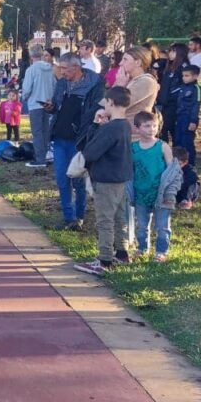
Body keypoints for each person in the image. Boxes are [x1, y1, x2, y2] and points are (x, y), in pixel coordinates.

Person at [75, 86, 133, 276]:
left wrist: (95, 125)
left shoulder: (110, 129)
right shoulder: (125, 125)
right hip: (121, 177)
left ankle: (104, 259)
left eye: (106, 102)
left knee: (105, 220)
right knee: (119, 217)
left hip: (106, 179)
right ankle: (122, 252)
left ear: (111, 102)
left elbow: (89, 151)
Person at [44, 53, 103, 230]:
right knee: (62, 178)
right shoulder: (62, 83)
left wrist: (88, 134)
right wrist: (51, 107)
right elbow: (56, 105)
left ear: (76, 67)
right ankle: (68, 217)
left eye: (64, 68)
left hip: (79, 139)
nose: (61, 72)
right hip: (60, 137)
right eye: (60, 68)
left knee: (78, 178)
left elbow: (96, 112)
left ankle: (79, 215)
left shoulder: (94, 84)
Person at [128, 112, 174, 260]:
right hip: (141, 193)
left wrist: (170, 192)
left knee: (162, 225)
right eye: (147, 126)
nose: (151, 129)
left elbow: (172, 170)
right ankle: (142, 248)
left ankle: (161, 252)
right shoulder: (133, 148)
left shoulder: (163, 146)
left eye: (154, 126)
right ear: (137, 128)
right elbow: (129, 170)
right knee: (142, 225)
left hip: (161, 194)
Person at [21, 44, 56, 168]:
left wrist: (24, 97)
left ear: (31, 55)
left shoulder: (31, 70)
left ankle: (40, 159)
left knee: (37, 132)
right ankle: (46, 155)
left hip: (35, 103)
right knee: (45, 131)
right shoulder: (50, 68)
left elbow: (27, 89)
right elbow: (54, 85)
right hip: (48, 103)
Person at [113, 46, 159, 119]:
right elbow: (106, 103)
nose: (120, 63)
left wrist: (119, 86)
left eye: (125, 59)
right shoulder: (128, 79)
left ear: (138, 62)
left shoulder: (146, 82)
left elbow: (118, 105)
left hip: (132, 125)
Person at [157, 43, 189, 143]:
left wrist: (173, 96)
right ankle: (165, 149)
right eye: (170, 51)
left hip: (173, 104)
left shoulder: (183, 67)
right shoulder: (169, 65)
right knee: (162, 128)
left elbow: (184, 86)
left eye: (173, 51)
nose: (170, 53)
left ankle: (177, 150)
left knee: (169, 128)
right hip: (164, 103)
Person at [175, 65, 201, 165]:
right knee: (178, 140)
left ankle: (190, 163)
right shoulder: (182, 87)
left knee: (187, 142)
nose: (184, 78)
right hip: (179, 117)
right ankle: (179, 162)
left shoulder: (196, 89)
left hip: (188, 118)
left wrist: (193, 121)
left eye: (187, 76)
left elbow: (196, 105)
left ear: (195, 76)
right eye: (183, 76)